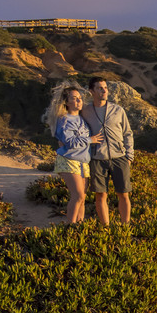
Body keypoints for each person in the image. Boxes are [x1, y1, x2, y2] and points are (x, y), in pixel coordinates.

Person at [80, 78, 134, 225]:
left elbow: (127, 133)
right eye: (100, 88)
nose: (104, 91)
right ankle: (106, 228)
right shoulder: (85, 111)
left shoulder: (118, 110)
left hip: (120, 157)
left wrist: (129, 156)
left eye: (105, 88)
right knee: (101, 195)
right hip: (97, 159)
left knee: (123, 194)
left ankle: (125, 226)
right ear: (92, 91)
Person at [51, 86, 99, 224]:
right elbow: (70, 142)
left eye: (79, 98)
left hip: (83, 162)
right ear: (66, 102)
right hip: (68, 160)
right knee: (77, 195)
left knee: (82, 197)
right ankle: (70, 226)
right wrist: (91, 140)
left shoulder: (81, 119)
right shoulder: (64, 120)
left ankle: (79, 225)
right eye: (74, 98)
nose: (79, 100)